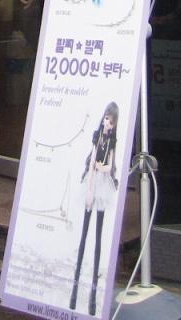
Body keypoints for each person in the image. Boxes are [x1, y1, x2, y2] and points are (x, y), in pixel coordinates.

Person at [69, 102, 119, 316]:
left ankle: (93, 295)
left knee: (98, 237)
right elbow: (91, 164)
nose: (107, 123)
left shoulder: (112, 141)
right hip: (93, 183)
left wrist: (103, 167)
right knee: (84, 235)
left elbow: (110, 165)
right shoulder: (97, 137)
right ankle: (74, 290)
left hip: (103, 184)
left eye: (111, 121)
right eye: (106, 119)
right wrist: (89, 188)